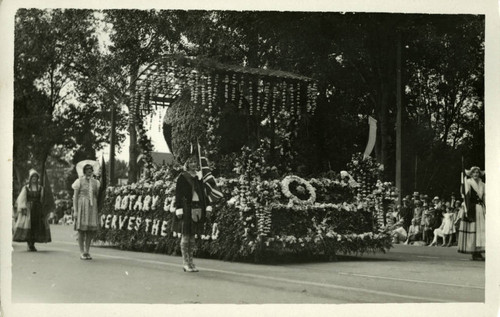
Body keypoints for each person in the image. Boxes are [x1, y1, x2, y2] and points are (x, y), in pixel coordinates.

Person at [173, 156, 212, 272]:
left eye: (195, 162)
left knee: (192, 236)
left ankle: (191, 262)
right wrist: (178, 208)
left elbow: (205, 194)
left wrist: (208, 207)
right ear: (187, 164)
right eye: (191, 162)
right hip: (186, 208)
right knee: (186, 235)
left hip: (197, 208)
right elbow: (178, 194)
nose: (194, 164)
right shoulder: (183, 177)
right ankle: (185, 262)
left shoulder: (200, 178)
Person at [13, 169, 53, 251]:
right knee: (29, 225)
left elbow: (43, 199)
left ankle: (33, 244)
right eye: (33, 177)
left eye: (36, 177)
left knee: (36, 226)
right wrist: (23, 208)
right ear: (30, 178)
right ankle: (29, 244)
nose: (34, 178)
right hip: (29, 209)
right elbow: (22, 199)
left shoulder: (40, 188)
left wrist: (44, 209)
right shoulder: (26, 188)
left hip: (38, 209)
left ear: (37, 178)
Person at [72, 160, 101, 260]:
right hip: (82, 206)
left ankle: (87, 251)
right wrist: (75, 210)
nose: (89, 171)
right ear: (84, 171)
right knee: (81, 230)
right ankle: (81, 252)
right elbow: (75, 197)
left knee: (89, 230)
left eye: (91, 169)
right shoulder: (79, 181)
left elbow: (97, 195)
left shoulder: (96, 182)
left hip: (92, 206)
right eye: (87, 169)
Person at [458, 166, 485, 261]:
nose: (476, 174)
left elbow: (484, 197)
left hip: (480, 208)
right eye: (474, 173)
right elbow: (466, 196)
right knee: (473, 229)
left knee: (480, 230)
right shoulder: (468, 182)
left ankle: (479, 251)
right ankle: (474, 252)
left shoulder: (482, 184)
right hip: (472, 208)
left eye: (477, 173)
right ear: (471, 174)